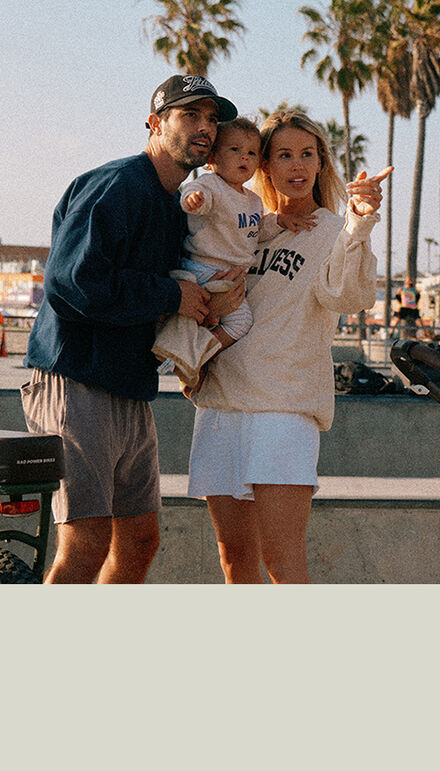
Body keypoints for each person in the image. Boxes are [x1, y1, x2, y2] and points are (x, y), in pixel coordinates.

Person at [20, 74, 242, 584]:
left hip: (130, 385)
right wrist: (174, 296)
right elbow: (73, 283)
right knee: (86, 541)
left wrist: (209, 301)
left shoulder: (179, 205)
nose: (205, 127)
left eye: (212, 118)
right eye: (190, 115)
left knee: (140, 540)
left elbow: (170, 288)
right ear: (155, 123)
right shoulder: (118, 184)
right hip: (74, 377)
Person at [187, 109, 393, 584]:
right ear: (265, 166)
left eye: (307, 154)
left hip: (284, 407)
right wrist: (192, 360)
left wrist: (360, 225)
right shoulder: (249, 226)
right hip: (220, 404)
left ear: (321, 163)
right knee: (234, 559)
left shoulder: (333, 231)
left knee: (283, 562)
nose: (297, 165)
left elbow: (350, 296)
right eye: (284, 155)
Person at [153, 116, 316, 388]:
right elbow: (193, 194)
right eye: (235, 150)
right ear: (212, 158)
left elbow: (255, 232)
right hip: (204, 268)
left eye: (252, 153)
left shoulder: (253, 201)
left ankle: (196, 357)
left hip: (228, 276)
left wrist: (280, 221)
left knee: (238, 323)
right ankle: (188, 356)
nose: (245, 158)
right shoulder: (211, 186)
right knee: (235, 321)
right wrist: (193, 200)